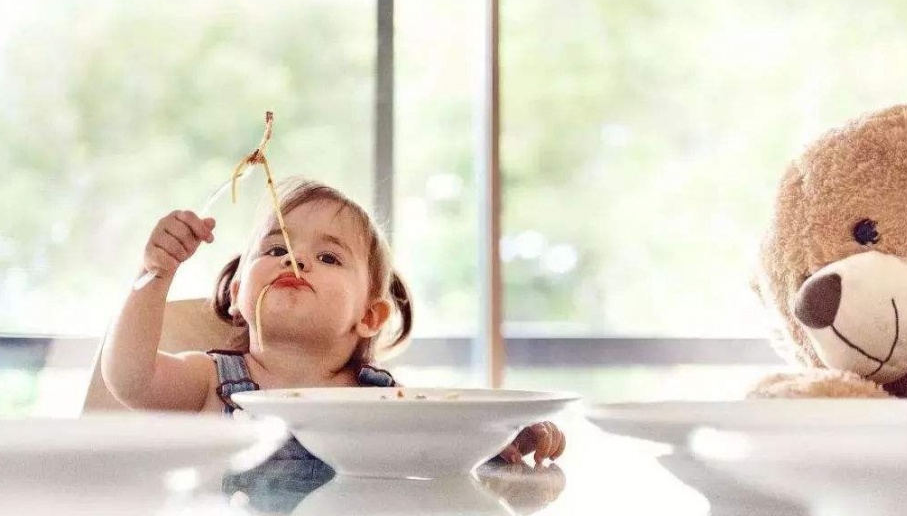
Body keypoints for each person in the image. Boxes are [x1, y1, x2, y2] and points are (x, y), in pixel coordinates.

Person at [102, 177, 565, 464]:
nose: (295, 260)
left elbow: (446, 450)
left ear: (369, 315)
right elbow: (130, 379)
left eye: (327, 256)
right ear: (237, 294)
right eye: (276, 249)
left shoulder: (388, 401)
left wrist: (502, 438)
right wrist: (156, 273)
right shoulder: (208, 379)